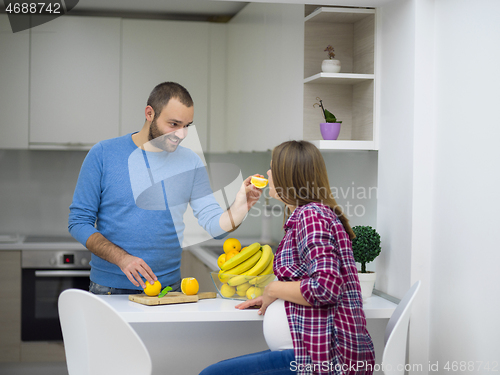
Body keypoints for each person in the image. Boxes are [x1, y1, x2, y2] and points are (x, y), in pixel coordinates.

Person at [68, 82, 262, 294]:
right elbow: (78, 222)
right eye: (174, 124)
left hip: (168, 290)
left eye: (187, 126)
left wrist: (239, 208)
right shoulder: (103, 154)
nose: (181, 134)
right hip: (110, 289)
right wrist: (122, 258)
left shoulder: (191, 162)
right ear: (150, 113)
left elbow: (213, 226)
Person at [199, 140, 375, 375]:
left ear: (287, 175)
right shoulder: (310, 214)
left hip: (320, 359)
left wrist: (273, 290)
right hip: (309, 353)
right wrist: (274, 296)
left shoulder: (311, 216)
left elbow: (325, 288)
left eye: (272, 167)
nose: (268, 173)